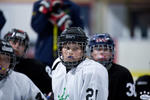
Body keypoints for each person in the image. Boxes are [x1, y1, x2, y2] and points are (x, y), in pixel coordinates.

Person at [47, 27, 108, 100]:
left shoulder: (93, 70)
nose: (70, 52)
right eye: (67, 48)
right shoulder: (57, 65)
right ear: (61, 49)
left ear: (83, 50)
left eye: (75, 48)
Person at [31, 0, 84, 66]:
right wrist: (45, 13)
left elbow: (80, 32)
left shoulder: (73, 6)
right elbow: (37, 28)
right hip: (43, 55)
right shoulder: (39, 4)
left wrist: (67, 26)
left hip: (67, 55)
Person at [4, 28, 52, 96]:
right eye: (14, 42)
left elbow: (52, 89)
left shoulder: (36, 67)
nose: (17, 46)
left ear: (25, 49)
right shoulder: (1, 66)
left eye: (21, 44)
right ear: (5, 43)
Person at [89, 33, 136, 100]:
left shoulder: (123, 74)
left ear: (112, 52)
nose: (102, 52)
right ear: (91, 52)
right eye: (98, 49)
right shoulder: (84, 73)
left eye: (106, 49)